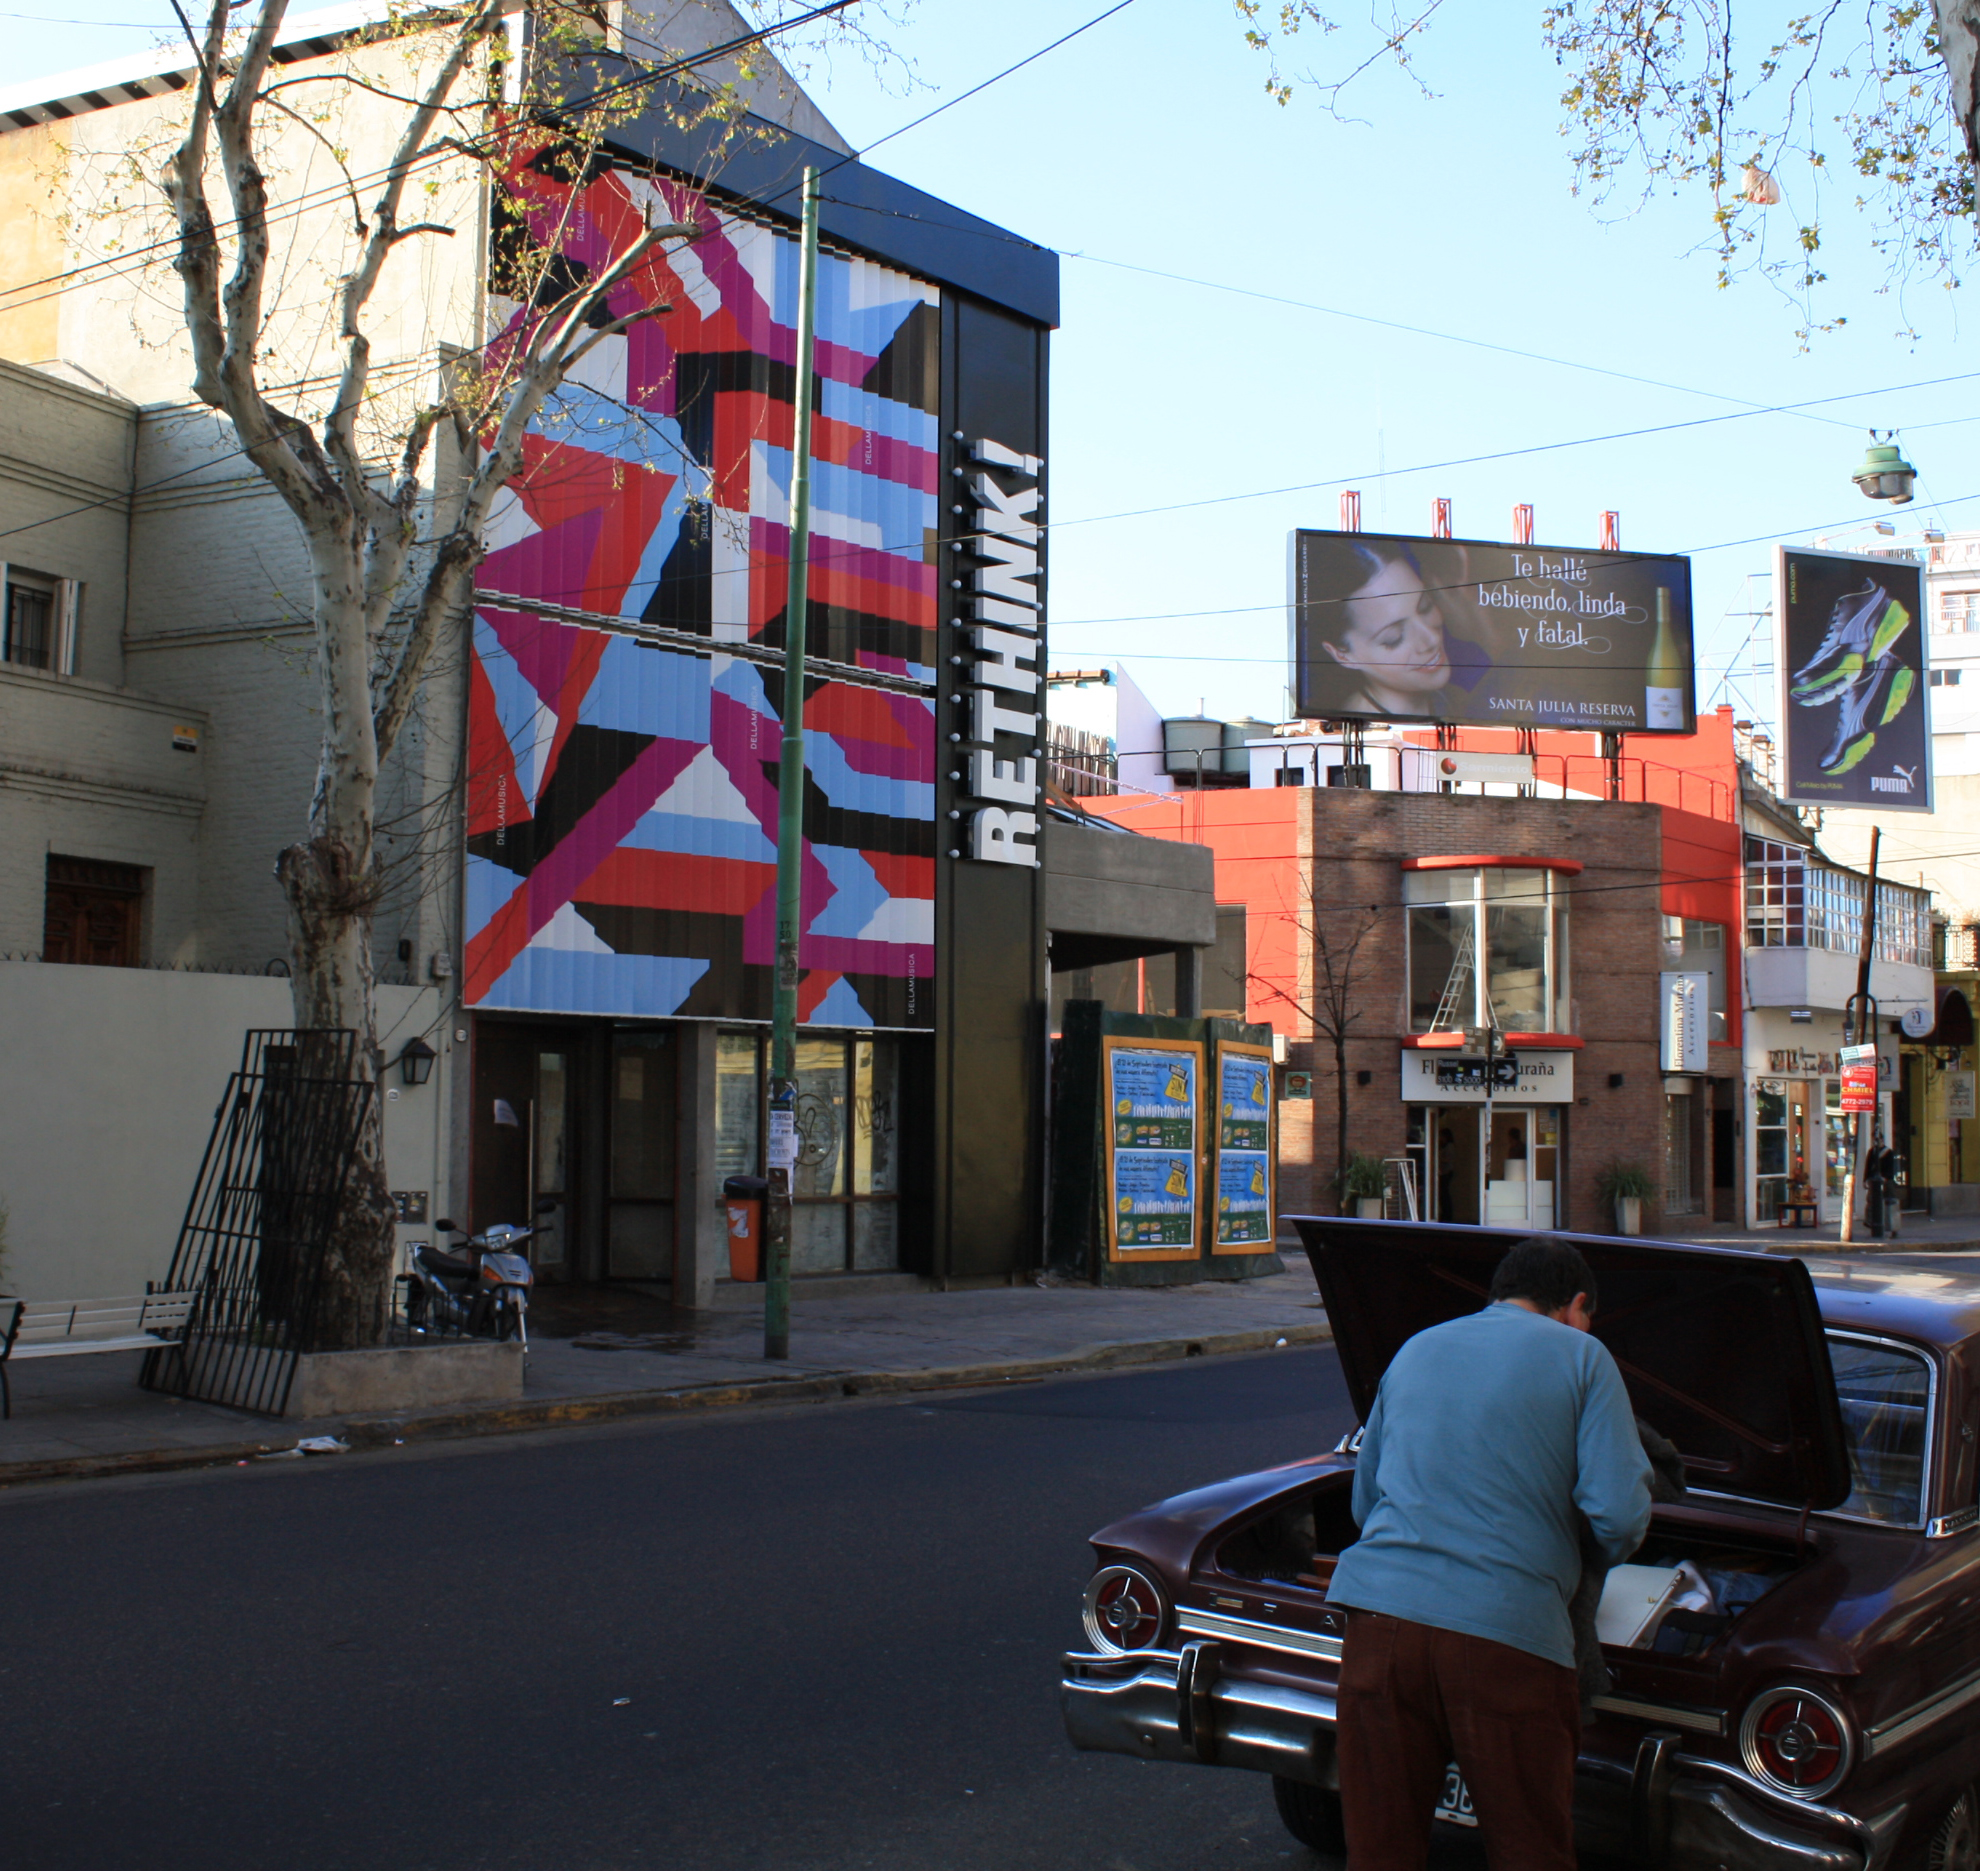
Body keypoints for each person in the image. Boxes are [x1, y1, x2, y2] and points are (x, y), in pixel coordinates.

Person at [1325, 1237, 1652, 1871]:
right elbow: (1619, 1514)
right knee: (1530, 1849)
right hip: (1509, 1639)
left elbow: (1366, 1505)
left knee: (1378, 1851)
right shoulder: (1583, 1357)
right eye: (1588, 1315)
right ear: (1576, 1304)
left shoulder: (1416, 1348)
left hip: (1379, 1627)